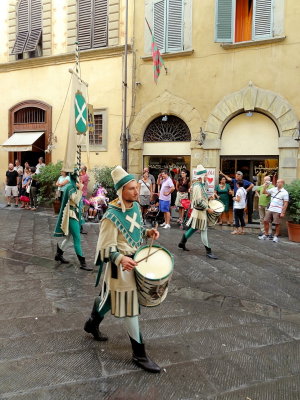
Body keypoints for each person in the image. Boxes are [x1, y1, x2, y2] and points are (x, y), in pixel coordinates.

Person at [84, 166, 161, 373]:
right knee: (130, 308)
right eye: (131, 189)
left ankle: (92, 322)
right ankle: (139, 354)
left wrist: (148, 233)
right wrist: (119, 258)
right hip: (120, 267)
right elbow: (103, 248)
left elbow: (133, 232)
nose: (136, 192)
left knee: (109, 299)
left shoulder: (135, 207)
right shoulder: (110, 216)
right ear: (120, 191)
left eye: (136, 187)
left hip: (135, 262)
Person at [53, 171, 92, 271]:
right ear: (75, 177)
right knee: (77, 239)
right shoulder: (70, 187)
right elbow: (75, 200)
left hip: (74, 214)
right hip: (71, 215)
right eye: (78, 176)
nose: (80, 177)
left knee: (69, 237)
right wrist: (80, 189)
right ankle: (83, 263)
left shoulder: (73, 186)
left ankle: (59, 254)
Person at [178, 164, 218, 259]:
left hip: (200, 212)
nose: (207, 176)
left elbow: (201, 198)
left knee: (194, 228)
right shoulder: (197, 186)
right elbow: (198, 201)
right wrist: (208, 208)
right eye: (206, 175)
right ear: (202, 176)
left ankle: (182, 242)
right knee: (204, 230)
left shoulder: (200, 185)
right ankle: (209, 251)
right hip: (200, 212)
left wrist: (209, 198)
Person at [259, 179, 289, 243]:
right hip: (270, 208)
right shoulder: (273, 189)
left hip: (278, 210)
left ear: (282, 183)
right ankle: (266, 234)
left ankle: (276, 236)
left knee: (277, 223)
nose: (277, 183)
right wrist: (265, 186)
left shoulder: (285, 192)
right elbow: (264, 192)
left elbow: (286, 203)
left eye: (278, 182)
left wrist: (283, 212)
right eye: (277, 182)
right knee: (265, 221)